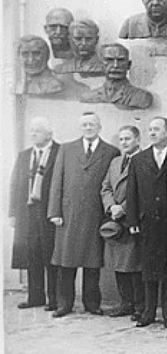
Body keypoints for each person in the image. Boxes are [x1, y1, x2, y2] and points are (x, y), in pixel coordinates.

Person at [48, 112, 120, 317]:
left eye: (92, 124)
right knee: (66, 262)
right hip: (68, 214)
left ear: (99, 126)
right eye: (85, 125)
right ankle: (65, 304)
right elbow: (57, 181)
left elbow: (111, 184)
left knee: (92, 262)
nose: (88, 128)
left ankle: (92, 303)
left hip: (94, 214)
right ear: (80, 127)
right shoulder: (66, 149)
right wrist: (55, 211)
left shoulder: (110, 151)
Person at [126, 117, 167, 328]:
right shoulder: (139, 159)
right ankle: (148, 313)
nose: (153, 133)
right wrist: (132, 220)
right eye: (150, 130)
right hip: (146, 222)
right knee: (148, 269)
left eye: (157, 129)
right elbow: (132, 192)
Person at [9, 117, 61, 310]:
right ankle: (35, 297)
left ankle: (55, 299)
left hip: (49, 212)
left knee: (51, 255)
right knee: (32, 255)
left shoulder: (60, 152)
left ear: (49, 134)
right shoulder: (24, 155)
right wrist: (12, 213)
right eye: (31, 131)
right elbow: (15, 185)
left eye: (37, 131)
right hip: (27, 214)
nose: (33, 134)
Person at [101, 125, 143, 319]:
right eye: (121, 139)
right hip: (115, 220)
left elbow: (143, 191)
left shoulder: (144, 160)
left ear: (137, 140)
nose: (124, 143)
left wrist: (124, 208)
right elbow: (106, 187)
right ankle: (125, 303)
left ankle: (139, 306)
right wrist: (111, 207)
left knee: (134, 265)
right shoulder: (115, 162)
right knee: (119, 265)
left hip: (133, 219)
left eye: (128, 139)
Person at [81, 43, 153, 110]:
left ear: (128, 65)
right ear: (100, 65)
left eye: (121, 60)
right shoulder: (88, 97)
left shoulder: (142, 97)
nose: (116, 65)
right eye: (109, 60)